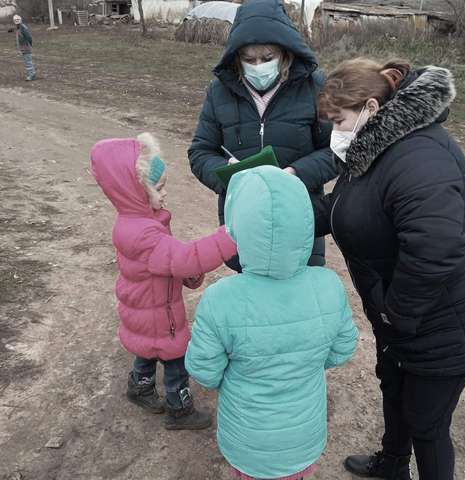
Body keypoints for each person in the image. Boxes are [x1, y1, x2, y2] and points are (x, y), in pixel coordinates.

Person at [315, 58, 465, 480]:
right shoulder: (374, 146)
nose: (334, 131)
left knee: (427, 422)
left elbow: (435, 248)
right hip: (404, 316)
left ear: (370, 108)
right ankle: (393, 463)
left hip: (446, 321)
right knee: (394, 386)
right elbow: (346, 205)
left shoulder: (418, 156)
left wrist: (394, 312)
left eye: (338, 120)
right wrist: (288, 212)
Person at [186, 166, 358, 480]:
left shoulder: (220, 298)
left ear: (237, 225)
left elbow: (204, 370)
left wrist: (240, 379)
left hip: (247, 442)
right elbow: (342, 349)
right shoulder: (329, 285)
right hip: (303, 439)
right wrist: (304, 363)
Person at [90, 132, 237, 430]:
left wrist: (184, 274)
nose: (165, 194)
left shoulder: (134, 222)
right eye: (158, 189)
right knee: (175, 359)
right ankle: (179, 409)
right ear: (135, 192)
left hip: (145, 308)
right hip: (158, 314)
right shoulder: (144, 233)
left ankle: (140, 386)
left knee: (146, 350)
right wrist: (230, 236)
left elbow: (168, 262)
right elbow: (185, 258)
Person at [188, 0, 336, 272]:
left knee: (301, 290)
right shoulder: (219, 92)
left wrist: (295, 173)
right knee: (251, 291)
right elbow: (200, 152)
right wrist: (231, 176)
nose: (258, 66)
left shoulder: (314, 87)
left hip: (299, 219)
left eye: (268, 58)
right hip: (244, 221)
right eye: (249, 59)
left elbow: (336, 150)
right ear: (236, 57)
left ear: (285, 52)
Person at [12, 14, 36, 81]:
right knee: (27, 61)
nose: (16, 21)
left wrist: (29, 45)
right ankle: (31, 74)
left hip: (26, 47)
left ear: (20, 20)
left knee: (28, 62)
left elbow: (29, 37)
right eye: (15, 20)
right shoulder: (18, 27)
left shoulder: (23, 27)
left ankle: (31, 75)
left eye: (17, 20)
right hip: (22, 47)